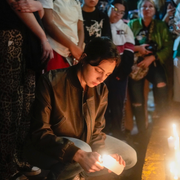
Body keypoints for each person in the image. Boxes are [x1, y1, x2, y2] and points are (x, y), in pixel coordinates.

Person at [24, 37, 137, 180]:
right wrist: (77, 153)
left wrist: (103, 154)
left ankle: (75, 173)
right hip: (51, 147)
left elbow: (96, 131)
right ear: (84, 58)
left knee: (129, 156)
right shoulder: (51, 81)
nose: (101, 78)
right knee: (83, 149)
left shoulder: (101, 90)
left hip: (86, 143)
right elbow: (40, 133)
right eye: (98, 70)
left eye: (107, 74)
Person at [0, 0, 53, 179]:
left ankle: (20, 158)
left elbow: (37, 12)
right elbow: (19, 5)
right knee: (10, 104)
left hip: (28, 40)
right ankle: (7, 165)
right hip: (10, 37)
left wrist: (38, 6)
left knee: (27, 103)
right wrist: (43, 38)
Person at [128, 0, 173, 136]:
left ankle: (162, 121)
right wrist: (138, 50)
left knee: (161, 84)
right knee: (136, 98)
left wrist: (153, 57)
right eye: (144, 6)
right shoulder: (132, 24)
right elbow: (125, 44)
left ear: (154, 10)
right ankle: (142, 129)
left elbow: (168, 46)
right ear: (139, 9)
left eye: (150, 6)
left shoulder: (160, 25)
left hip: (154, 62)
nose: (147, 9)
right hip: (136, 64)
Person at [104, 0, 134, 139]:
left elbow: (129, 52)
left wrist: (121, 73)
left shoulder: (125, 27)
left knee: (117, 105)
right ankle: (102, 135)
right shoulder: (102, 23)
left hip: (119, 74)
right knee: (103, 105)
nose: (118, 13)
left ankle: (118, 136)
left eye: (121, 11)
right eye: (116, 9)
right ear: (109, 7)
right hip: (102, 73)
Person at [38, 0, 84, 71]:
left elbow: (80, 29)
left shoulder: (76, 1)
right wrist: (72, 46)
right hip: (55, 50)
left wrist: (78, 49)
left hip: (72, 55)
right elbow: (48, 24)